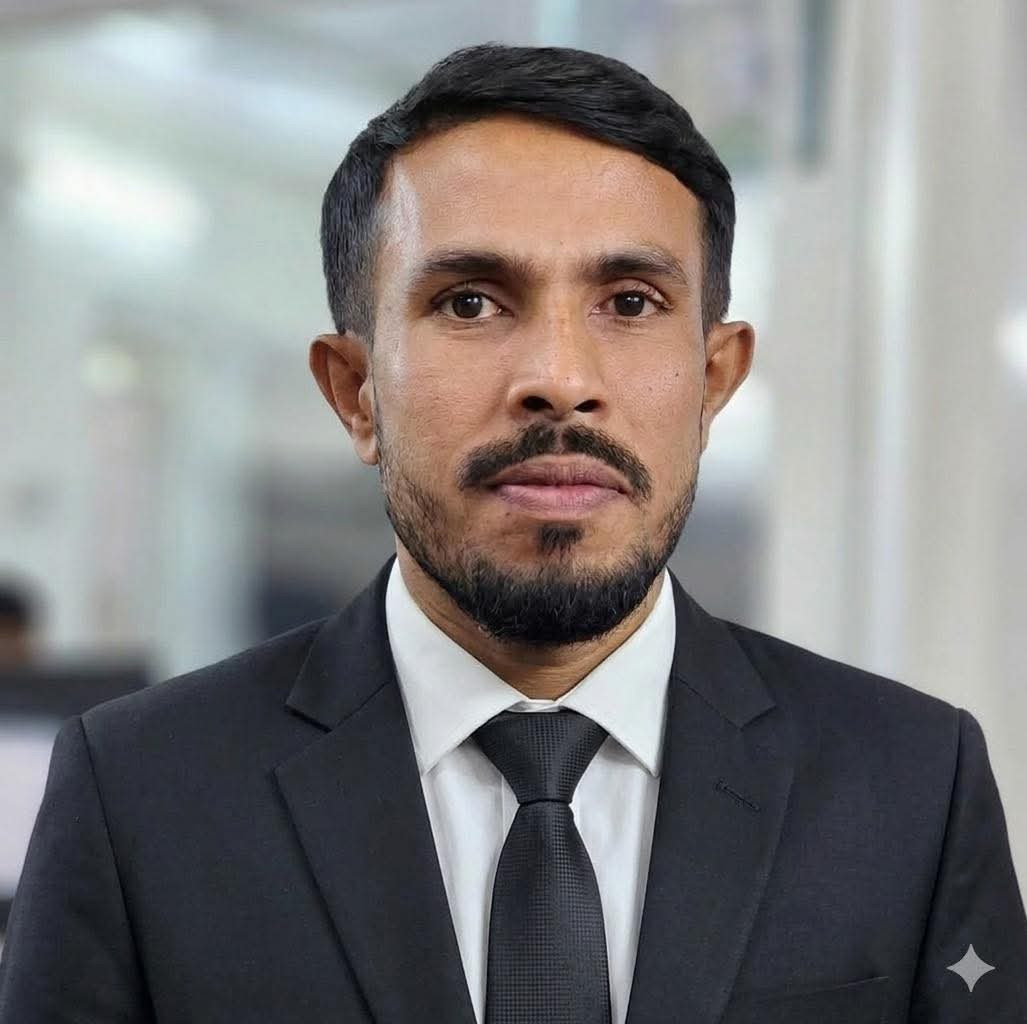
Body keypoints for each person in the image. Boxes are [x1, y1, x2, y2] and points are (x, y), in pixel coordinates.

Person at [0, 42, 1024, 1024]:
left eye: (630, 301)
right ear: (355, 391)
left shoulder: (909, 786)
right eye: (471, 302)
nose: (560, 380)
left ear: (713, 381)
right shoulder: (139, 795)